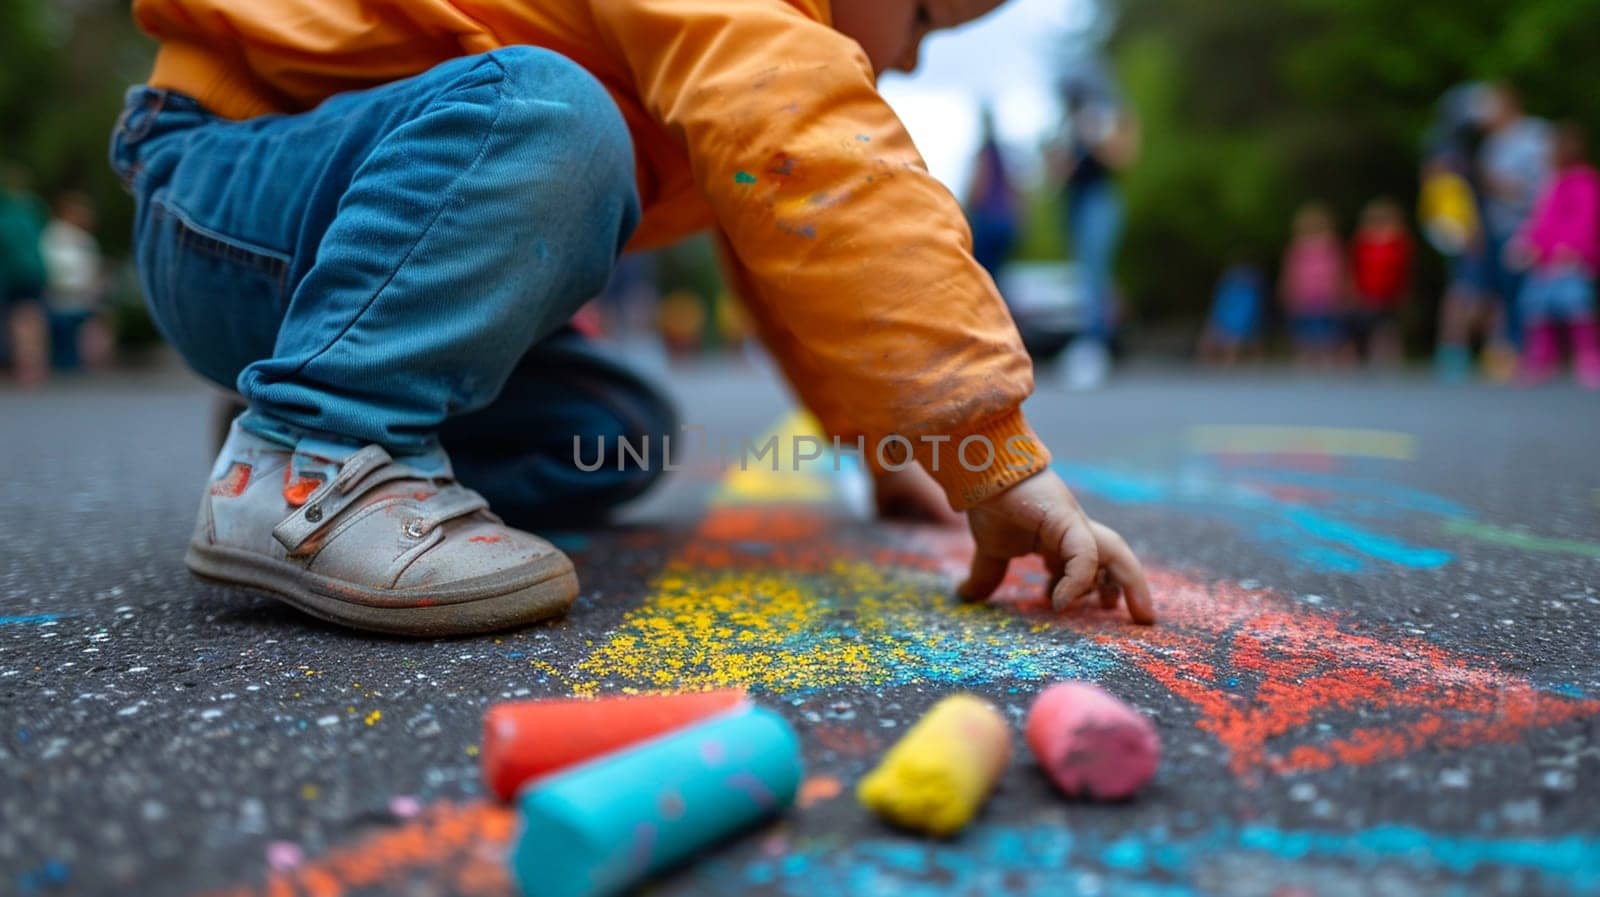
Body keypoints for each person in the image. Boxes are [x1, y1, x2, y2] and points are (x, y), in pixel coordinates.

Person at [112, 0, 1154, 636]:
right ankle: (312, 450)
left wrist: (891, 446)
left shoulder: (738, 40)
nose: (919, 59)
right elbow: (814, 159)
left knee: (612, 436)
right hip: (224, 189)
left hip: (302, 262)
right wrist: (990, 451)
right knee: (552, 116)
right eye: (928, 14)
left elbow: (782, 236)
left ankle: (300, 400)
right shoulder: (749, 26)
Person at [1053, 80, 1139, 387]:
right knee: (1088, 277)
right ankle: (1098, 344)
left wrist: (1094, 138)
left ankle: (1096, 347)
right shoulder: (1069, 123)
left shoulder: (1106, 116)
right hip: (1074, 204)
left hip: (1100, 202)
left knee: (1095, 277)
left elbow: (1122, 156)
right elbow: (1057, 173)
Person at [1508, 122, 1600, 388]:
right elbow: (1541, 221)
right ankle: (1541, 360)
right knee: (1535, 308)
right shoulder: (1552, 182)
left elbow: (1585, 219)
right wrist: (1526, 244)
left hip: (1570, 259)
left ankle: (1588, 357)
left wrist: (1573, 248)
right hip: (1543, 260)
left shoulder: (1583, 179)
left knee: (1576, 307)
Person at [1478, 84, 1551, 363]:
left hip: (1530, 225)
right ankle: (1515, 350)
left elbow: (1548, 180)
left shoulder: (1536, 135)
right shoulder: (1492, 144)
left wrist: (1514, 190)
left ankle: (1537, 350)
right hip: (1500, 225)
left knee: (1531, 290)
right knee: (1506, 289)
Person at [41, 191, 114, 372]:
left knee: (75, 342)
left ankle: (70, 373)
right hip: (61, 297)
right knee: (62, 341)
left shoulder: (83, 239)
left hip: (81, 299)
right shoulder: (54, 236)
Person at [1278, 203, 1345, 369]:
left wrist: (1341, 288)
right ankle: (1306, 358)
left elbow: (1339, 270)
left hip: (1326, 295)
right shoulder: (1297, 247)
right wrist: (1287, 289)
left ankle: (1327, 357)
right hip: (1303, 296)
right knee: (1304, 329)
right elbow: (1290, 271)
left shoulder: (1331, 245)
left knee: (1327, 329)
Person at [0, 167, 50, 386]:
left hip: (12, 273)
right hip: (34, 269)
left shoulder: (7, 211)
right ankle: (32, 365)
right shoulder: (33, 207)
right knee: (31, 317)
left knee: (17, 319)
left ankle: (21, 364)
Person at [1349, 198, 1413, 366]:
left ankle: (1391, 358)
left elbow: (1404, 269)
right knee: (1367, 327)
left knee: (1389, 328)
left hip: (1391, 295)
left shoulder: (1398, 242)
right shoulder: (1362, 242)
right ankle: (1368, 358)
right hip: (1368, 295)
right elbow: (1355, 268)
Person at [965, 106, 1020, 279]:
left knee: (983, 274)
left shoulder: (985, 152)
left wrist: (966, 211)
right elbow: (1016, 187)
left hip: (988, 221)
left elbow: (979, 185)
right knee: (997, 274)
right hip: (1005, 221)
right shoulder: (1004, 153)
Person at [1198, 261, 1264, 369]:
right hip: (1223, 324)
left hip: (1239, 327)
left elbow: (1247, 316)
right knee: (1207, 341)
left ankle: (1228, 371)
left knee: (1232, 343)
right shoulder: (1227, 291)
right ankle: (1203, 369)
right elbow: (1218, 310)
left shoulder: (1248, 294)